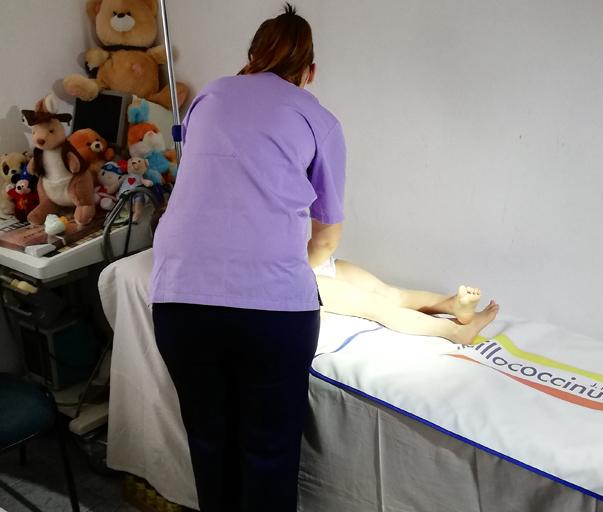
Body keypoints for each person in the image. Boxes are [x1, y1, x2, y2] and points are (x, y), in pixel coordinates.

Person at [148, 5, 344, 511]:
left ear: (252, 55)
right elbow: (326, 239)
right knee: (268, 454)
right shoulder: (318, 119)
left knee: (209, 442)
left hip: (179, 300)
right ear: (309, 71)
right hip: (272, 314)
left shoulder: (209, 97)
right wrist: (279, 262)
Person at [313, 255, 500, 344]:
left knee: (388, 293)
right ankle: (454, 330)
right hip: (305, 274)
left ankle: (452, 306)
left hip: (311, 262)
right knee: (377, 304)